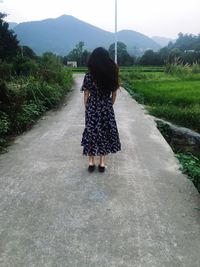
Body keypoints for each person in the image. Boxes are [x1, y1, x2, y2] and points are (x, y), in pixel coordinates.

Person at [81, 47, 121, 173]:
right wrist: (109, 106)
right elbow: (114, 94)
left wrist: (87, 108)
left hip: (92, 106)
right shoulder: (111, 74)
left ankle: (91, 162)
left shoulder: (88, 76)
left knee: (91, 132)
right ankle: (102, 163)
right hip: (106, 106)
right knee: (104, 132)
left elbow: (86, 94)